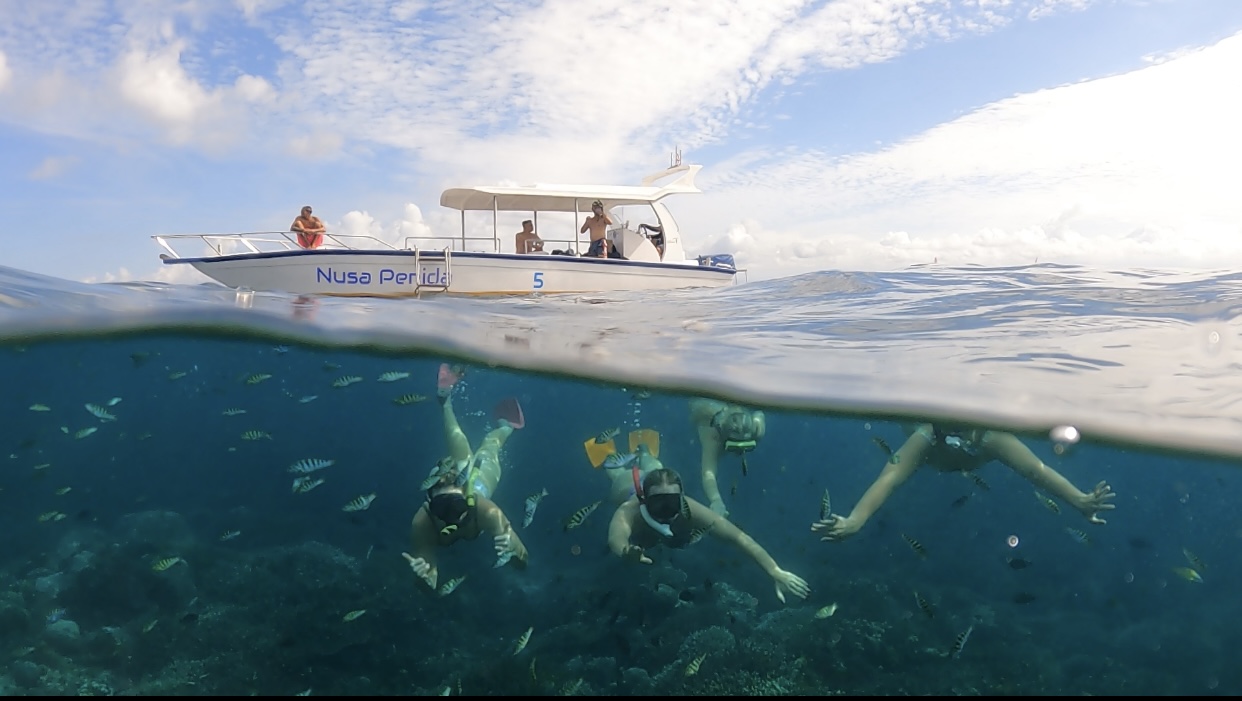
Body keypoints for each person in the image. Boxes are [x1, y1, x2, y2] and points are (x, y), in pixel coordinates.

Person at [812, 424, 1117, 542]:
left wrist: (1079, 500)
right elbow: (889, 478)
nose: (956, 432)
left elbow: (1036, 470)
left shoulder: (992, 438)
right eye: (947, 423)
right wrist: (855, 520)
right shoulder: (925, 436)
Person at [403, 364, 530, 591]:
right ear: (429, 503)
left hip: (478, 479)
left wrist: (513, 550)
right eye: (442, 508)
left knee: (489, 447)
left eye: (454, 505)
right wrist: (422, 577)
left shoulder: (485, 509)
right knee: (463, 452)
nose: (450, 517)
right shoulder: (423, 522)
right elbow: (429, 577)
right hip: (464, 477)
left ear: (467, 497)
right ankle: (446, 402)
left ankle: (504, 427)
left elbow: (523, 561)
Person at [607, 467, 810, 604]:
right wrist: (625, 552)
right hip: (627, 486)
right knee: (619, 477)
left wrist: (774, 570)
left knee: (655, 468)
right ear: (644, 499)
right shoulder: (630, 510)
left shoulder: (690, 509)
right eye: (658, 502)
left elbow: (738, 537)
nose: (666, 509)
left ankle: (648, 457)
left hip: (655, 493)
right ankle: (616, 466)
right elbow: (616, 536)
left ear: (681, 498)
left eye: (672, 502)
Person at [688, 398, 767, 517]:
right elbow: (708, 473)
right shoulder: (711, 434)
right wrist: (716, 500)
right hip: (701, 406)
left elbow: (760, 414)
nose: (740, 451)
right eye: (734, 446)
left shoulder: (756, 429)